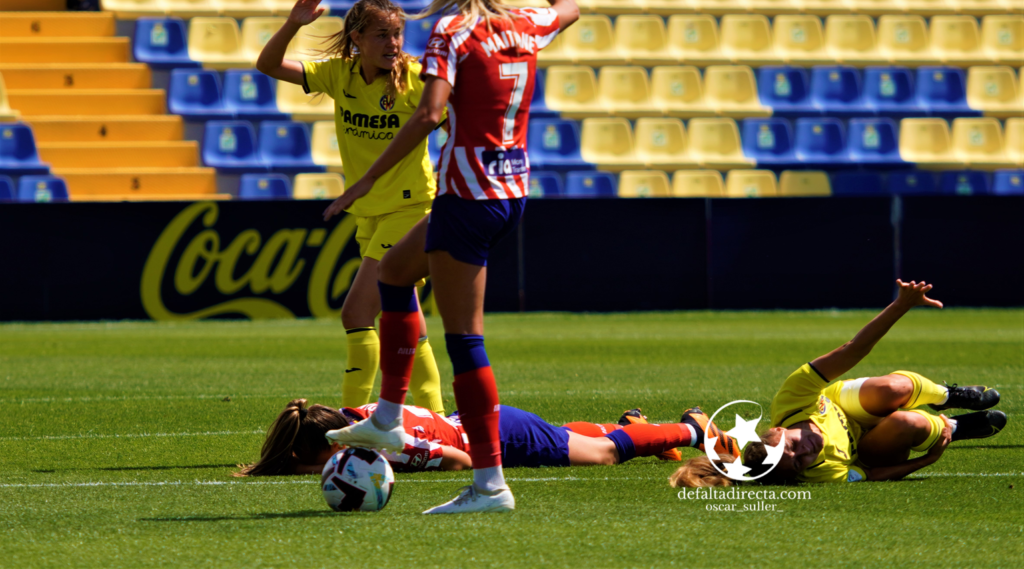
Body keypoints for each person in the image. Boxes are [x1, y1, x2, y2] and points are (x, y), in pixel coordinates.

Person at [320, 0, 579, 514]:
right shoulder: (523, 24)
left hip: (468, 195)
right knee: (393, 273)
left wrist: (361, 185)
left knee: (465, 340)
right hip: (510, 189)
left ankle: (489, 484)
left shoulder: (452, 33)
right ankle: (387, 416)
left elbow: (430, 113)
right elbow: (570, 8)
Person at [256, 0, 447, 415]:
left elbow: (457, 126)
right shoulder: (338, 75)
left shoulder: (417, 78)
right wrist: (293, 24)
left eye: (397, 33)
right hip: (370, 214)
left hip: (412, 208)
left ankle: (351, 422)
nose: (393, 43)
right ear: (357, 37)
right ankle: (433, 417)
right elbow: (267, 66)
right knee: (405, 322)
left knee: (356, 312)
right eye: (382, 34)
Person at [670, 280, 1006, 488]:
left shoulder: (792, 397)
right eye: (799, 461)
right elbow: (871, 476)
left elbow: (853, 350)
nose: (806, 452)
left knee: (892, 390)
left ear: (776, 430)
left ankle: (947, 396)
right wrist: (925, 460)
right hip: (869, 450)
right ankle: (953, 427)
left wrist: (900, 306)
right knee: (908, 421)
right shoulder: (818, 472)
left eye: (792, 447)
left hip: (845, 406)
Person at [236, 399, 741, 477]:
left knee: (602, 457)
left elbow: (456, 460)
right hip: (483, 421)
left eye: (309, 463)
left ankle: (693, 426)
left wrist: (404, 461)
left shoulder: (376, 439)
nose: (316, 471)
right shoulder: (358, 420)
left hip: (497, 435)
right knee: (569, 439)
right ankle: (636, 429)